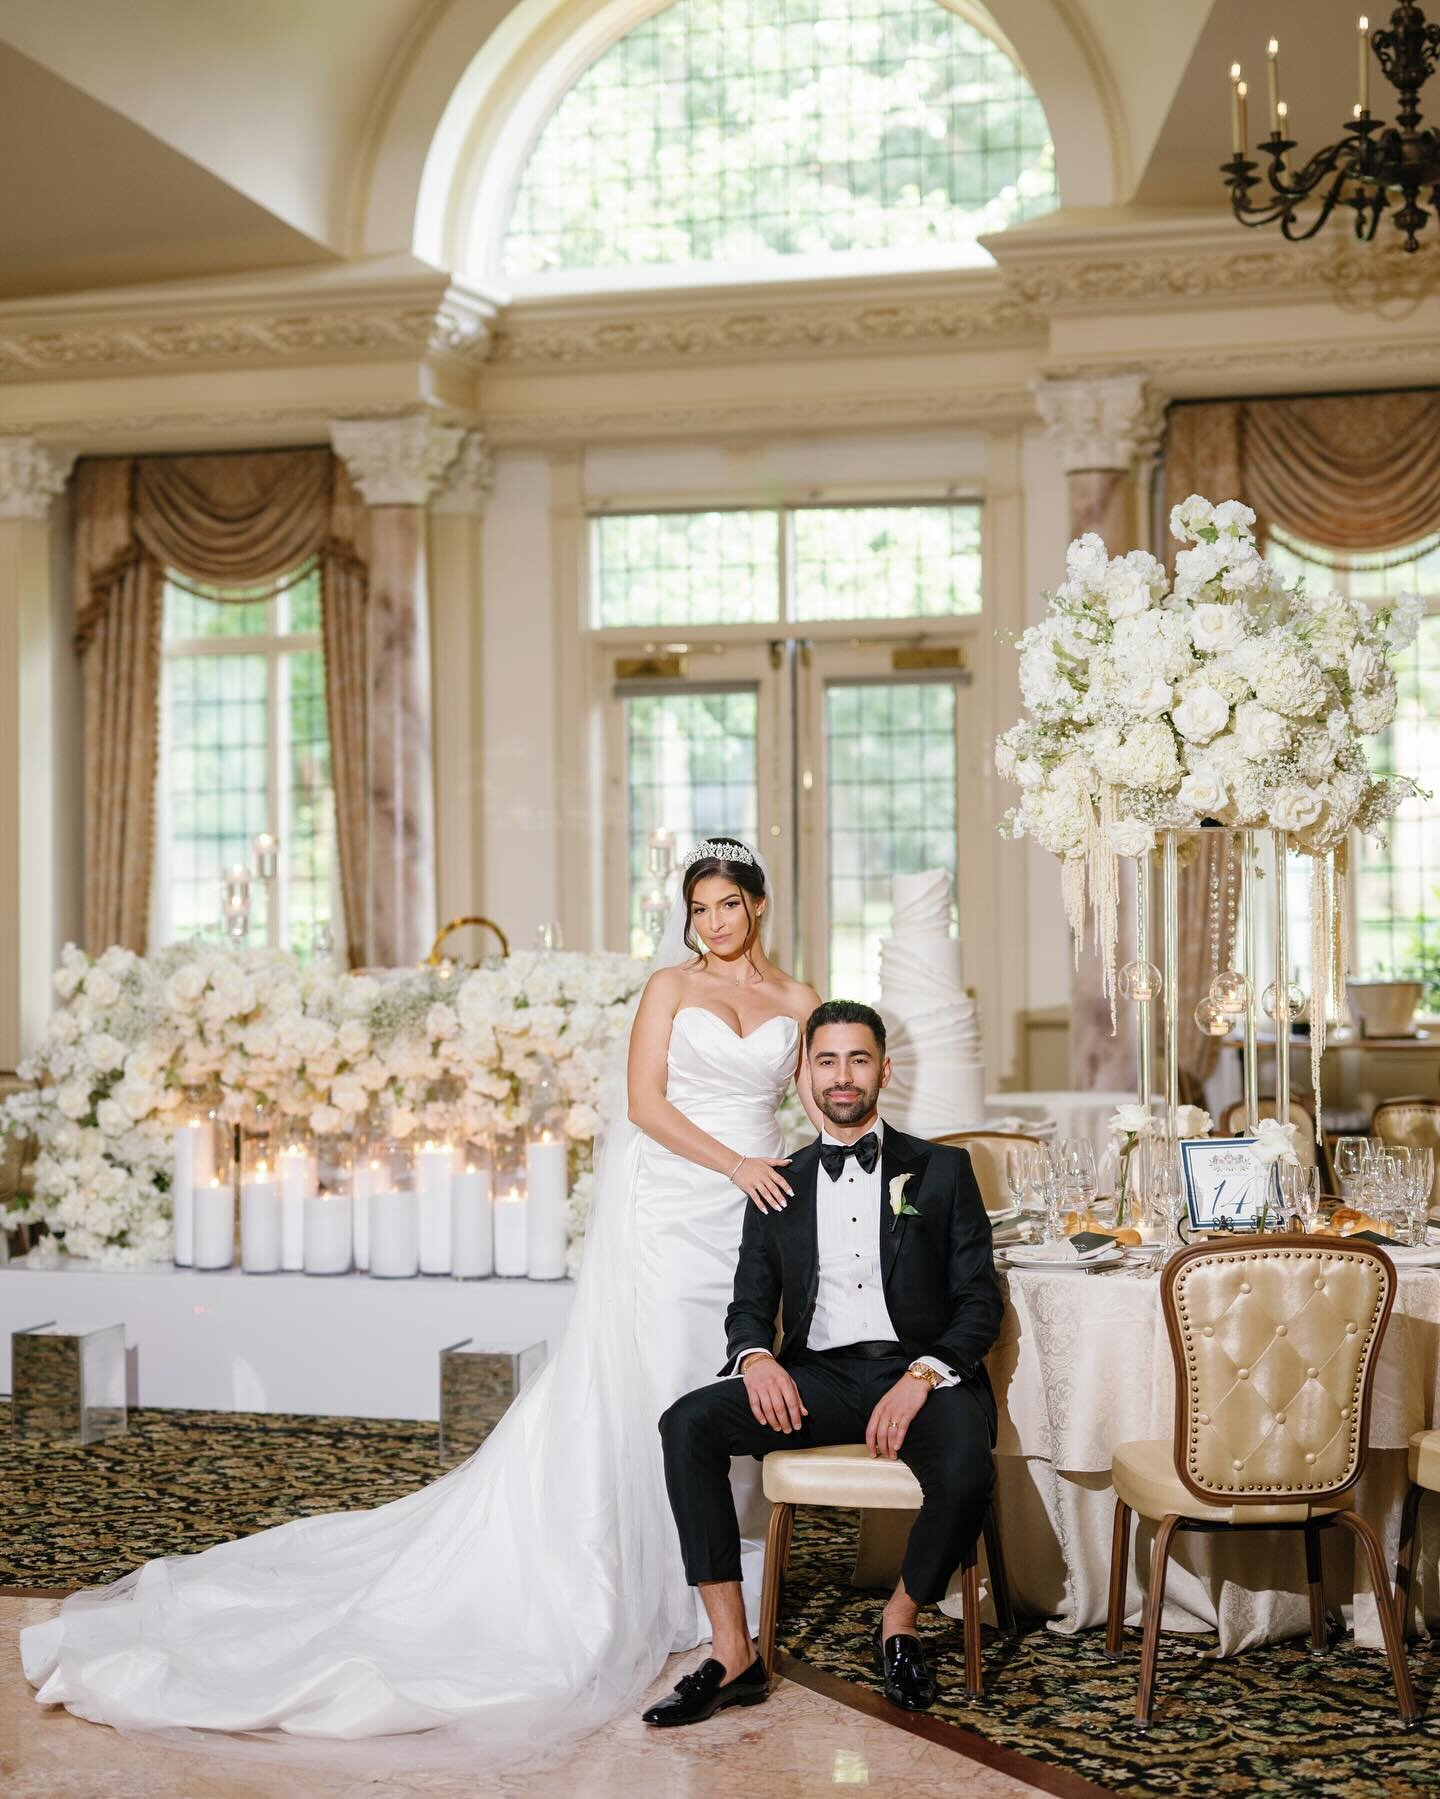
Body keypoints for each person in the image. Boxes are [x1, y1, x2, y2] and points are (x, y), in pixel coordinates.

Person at [21, 840, 820, 1771]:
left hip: (756, 1208)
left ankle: (708, 1584)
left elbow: (819, 1095)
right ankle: (659, 1578)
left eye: (728, 905)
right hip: (678, 1203)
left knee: (719, 1375)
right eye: (699, 908)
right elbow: (644, 1104)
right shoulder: (669, 991)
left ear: (758, 906)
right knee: (659, 1378)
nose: (713, 923)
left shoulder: (798, 1002)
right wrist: (733, 1164)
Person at [643, 999, 1003, 1727]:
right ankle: (732, 1649)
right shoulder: (777, 1182)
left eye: (859, 1059)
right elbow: (749, 1303)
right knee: (687, 1424)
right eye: (828, 1060)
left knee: (968, 1462)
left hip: (916, 1372)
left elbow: (979, 1303)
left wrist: (923, 1375)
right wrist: (752, 1358)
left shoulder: (942, 1171)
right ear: (806, 1073)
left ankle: (899, 1624)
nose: (844, 1076)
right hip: (819, 1378)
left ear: (885, 1070)